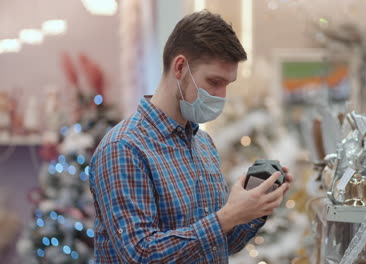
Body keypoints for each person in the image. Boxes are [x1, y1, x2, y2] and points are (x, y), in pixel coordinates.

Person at [89, 10, 293, 263]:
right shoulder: (124, 148)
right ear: (180, 67)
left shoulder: (203, 144)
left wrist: (253, 209)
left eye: (227, 85)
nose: (221, 96)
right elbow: (140, 254)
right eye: (214, 81)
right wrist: (227, 216)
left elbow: (220, 244)